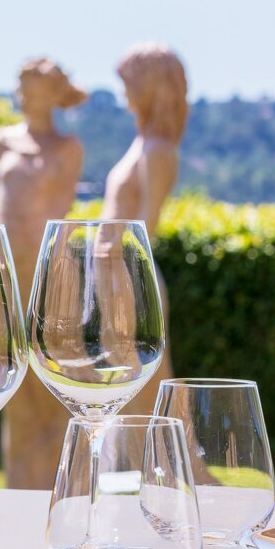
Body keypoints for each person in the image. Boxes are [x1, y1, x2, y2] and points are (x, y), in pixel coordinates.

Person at [0, 58, 87, 489]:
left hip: (48, 273)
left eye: (32, 86)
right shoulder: (1, 141)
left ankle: (60, 492)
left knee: (56, 387)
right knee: (13, 390)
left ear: (52, 93)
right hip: (4, 272)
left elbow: (60, 210)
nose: (24, 93)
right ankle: (19, 489)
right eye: (21, 85)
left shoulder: (68, 148)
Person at [101, 42, 189, 416]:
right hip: (112, 276)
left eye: (130, 82)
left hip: (129, 278)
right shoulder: (143, 144)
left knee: (143, 381)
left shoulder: (157, 150)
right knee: (123, 384)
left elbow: (144, 230)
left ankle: (161, 465)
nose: (124, 91)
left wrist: (114, 276)